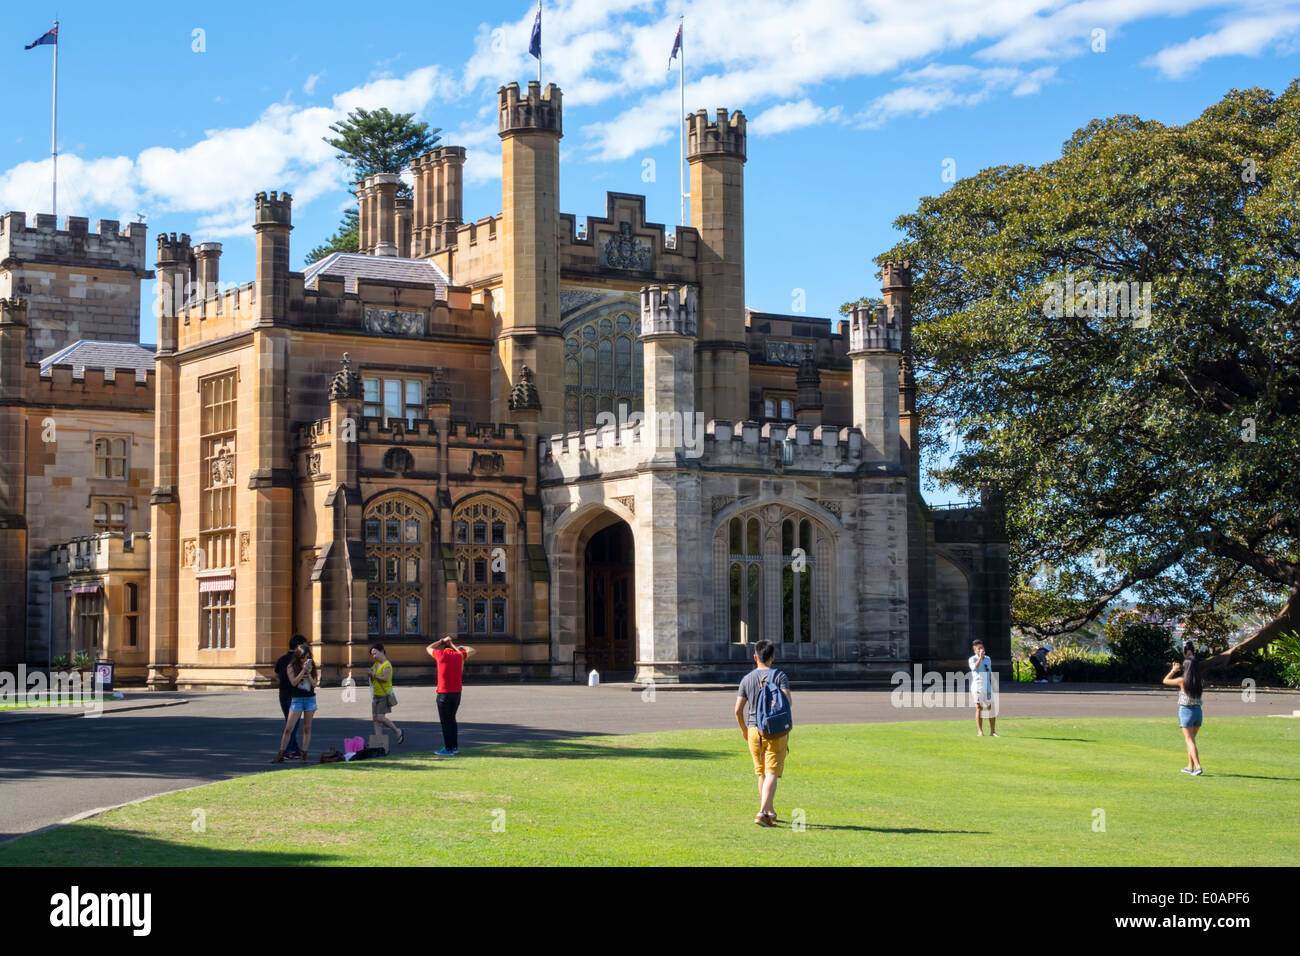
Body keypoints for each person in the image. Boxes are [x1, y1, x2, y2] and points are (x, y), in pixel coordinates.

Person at [734, 640, 792, 827]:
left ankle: (769, 812)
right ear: (772, 658)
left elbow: (737, 710)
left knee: (762, 774)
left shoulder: (746, 679)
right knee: (772, 772)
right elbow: (787, 702)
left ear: (755, 657)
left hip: (753, 730)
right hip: (774, 730)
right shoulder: (779, 676)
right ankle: (762, 812)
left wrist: (744, 729)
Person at [426, 634, 475, 755]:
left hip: (444, 694)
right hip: (457, 693)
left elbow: (428, 647)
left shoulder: (440, 654)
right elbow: (473, 650)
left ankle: (448, 749)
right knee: (452, 720)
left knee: (445, 722)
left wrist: (442, 640)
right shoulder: (459, 656)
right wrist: (457, 646)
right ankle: (454, 746)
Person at [1162, 641, 1204, 775]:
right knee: (1191, 740)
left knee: (1190, 740)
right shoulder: (1200, 681)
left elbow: (1165, 681)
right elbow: (1192, 662)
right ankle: (1189, 766)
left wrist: (1173, 670)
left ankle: (1197, 767)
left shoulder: (1182, 681)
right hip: (1198, 712)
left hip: (1186, 711)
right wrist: (1189, 653)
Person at [273, 643, 319, 763]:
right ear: (298, 657)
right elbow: (293, 682)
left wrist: (308, 673)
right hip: (297, 699)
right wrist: (303, 670)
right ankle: (281, 754)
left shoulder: (312, 666)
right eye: (303, 657)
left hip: (310, 699)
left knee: (307, 728)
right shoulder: (291, 666)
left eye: (308, 657)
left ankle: (304, 755)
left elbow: (315, 684)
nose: (306, 659)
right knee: (289, 728)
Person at [274, 635, 307, 759]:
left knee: (289, 723)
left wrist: (283, 684)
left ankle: (294, 747)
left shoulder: (281, 659)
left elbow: (276, 676)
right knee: (293, 725)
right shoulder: (298, 660)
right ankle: (288, 749)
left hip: (283, 695)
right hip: (295, 695)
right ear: (299, 646)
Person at [369, 643, 404, 746]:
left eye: (375, 653)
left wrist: (373, 674)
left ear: (382, 651)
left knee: (380, 718)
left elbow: (385, 679)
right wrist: (370, 675)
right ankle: (379, 743)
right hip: (375, 695)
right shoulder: (375, 665)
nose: (374, 656)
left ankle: (397, 731)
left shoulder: (387, 665)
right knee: (375, 720)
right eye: (372, 654)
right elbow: (373, 680)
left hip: (384, 695)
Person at [969, 640, 998, 736]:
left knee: (991, 707)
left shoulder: (988, 659)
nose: (981, 650)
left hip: (987, 685)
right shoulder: (972, 659)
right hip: (977, 685)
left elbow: (989, 671)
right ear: (975, 651)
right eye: (979, 648)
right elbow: (974, 668)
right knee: (979, 707)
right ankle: (980, 731)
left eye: (982, 648)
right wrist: (980, 658)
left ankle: (993, 731)